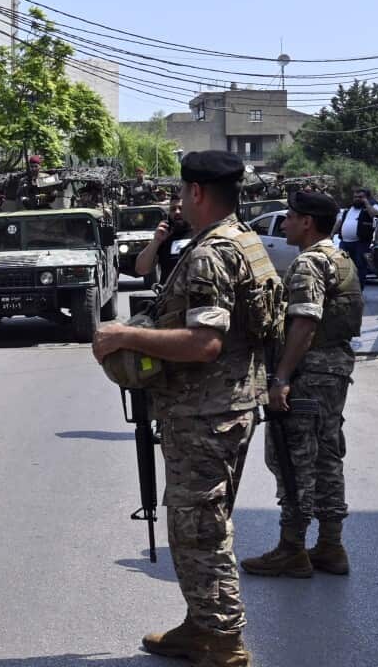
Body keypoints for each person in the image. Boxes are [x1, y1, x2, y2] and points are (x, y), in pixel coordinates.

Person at [93, 151, 277, 667]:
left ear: (196, 192)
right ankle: (200, 623)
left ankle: (221, 637)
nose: (178, 201)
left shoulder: (209, 253)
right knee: (203, 522)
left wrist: (125, 335)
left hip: (206, 413)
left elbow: (204, 344)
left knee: (200, 528)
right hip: (229, 404)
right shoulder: (244, 240)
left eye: (181, 192)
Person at [241, 191, 362, 578]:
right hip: (334, 372)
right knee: (327, 455)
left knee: (294, 456)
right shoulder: (340, 258)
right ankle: (330, 544)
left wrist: (281, 378)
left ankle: (292, 547)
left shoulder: (310, 263)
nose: (286, 223)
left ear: (307, 222)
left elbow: (305, 323)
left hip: (309, 374)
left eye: (291, 217)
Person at [135, 194, 193, 286]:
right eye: (173, 209)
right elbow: (141, 269)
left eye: (181, 208)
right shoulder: (164, 237)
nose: (177, 212)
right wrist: (156, 240)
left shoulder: (201, 234)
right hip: (170, 298)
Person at [333, 189, 378, 288]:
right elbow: (339, 221)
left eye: (360, 197)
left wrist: (366, 203)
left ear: (366, 198)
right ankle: (344, 290)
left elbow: (375, 215)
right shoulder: (349, 208)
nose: (357, 199)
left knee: (360, 266)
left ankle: (358, 290)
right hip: (344, 243)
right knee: (342, 266)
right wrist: (332, 234)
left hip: (361, 243)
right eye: (355, 197)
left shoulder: (372, 205)